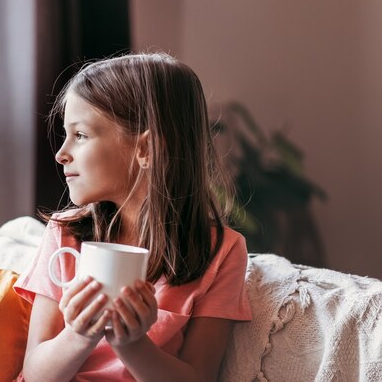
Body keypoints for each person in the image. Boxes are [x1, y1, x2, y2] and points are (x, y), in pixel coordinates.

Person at [13, 53, 252, 381]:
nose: (61, 153)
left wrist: (133, 344)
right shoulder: (65, 234)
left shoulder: (221, 252)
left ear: (147, 149)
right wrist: (79, 335)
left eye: (80, 135)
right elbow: (36, 374)